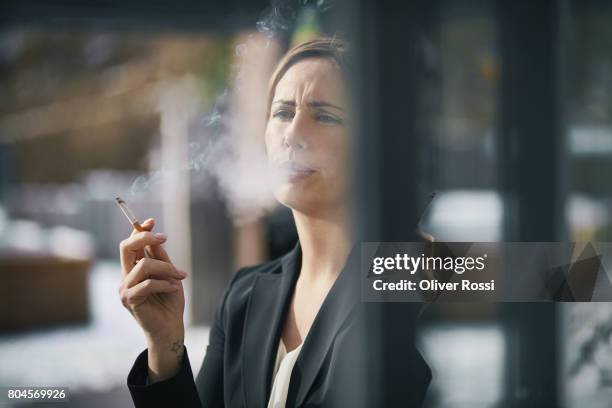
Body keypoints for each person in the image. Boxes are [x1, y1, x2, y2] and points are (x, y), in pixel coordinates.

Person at [119, 37, 432, 407]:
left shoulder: (413, 281)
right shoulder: (245, 296)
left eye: (326, 115)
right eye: (283, 112)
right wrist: (164, 344)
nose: (292, 135)